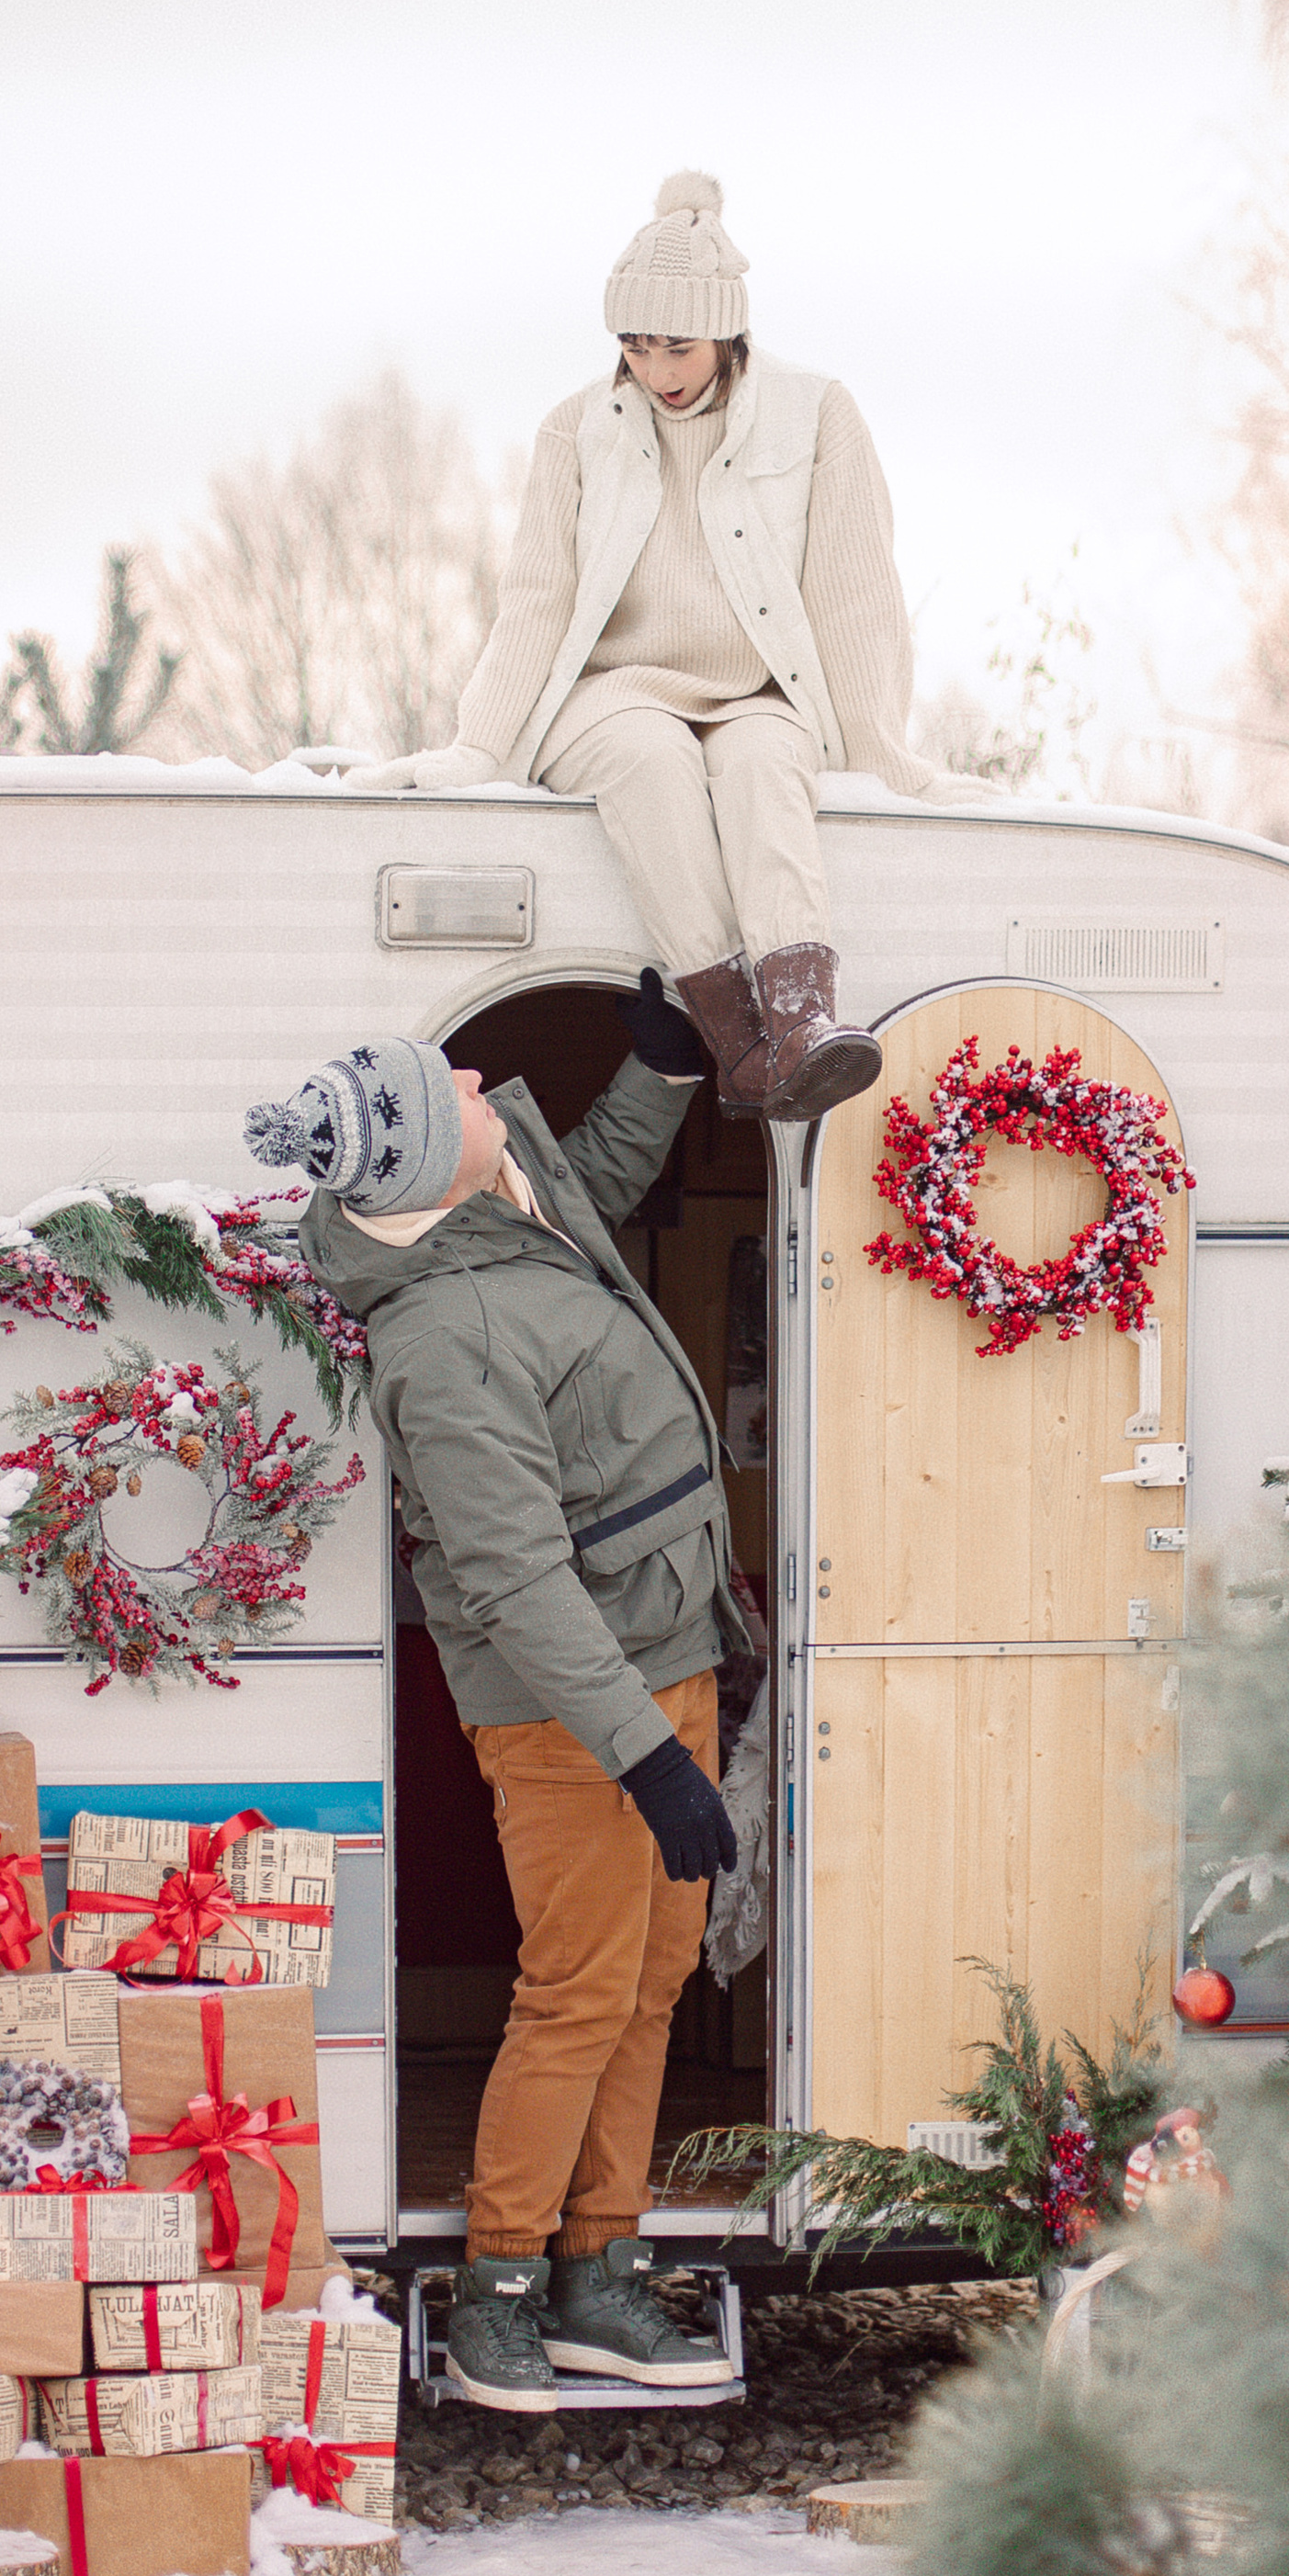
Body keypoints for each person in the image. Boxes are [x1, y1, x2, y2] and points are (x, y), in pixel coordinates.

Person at [248, 983, 747, 2413]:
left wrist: (659, 1073)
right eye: (450, 1084)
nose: (479, 1074)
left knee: (648, 1986)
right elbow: (519, 1586)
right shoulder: (441, 1338)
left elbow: (589, 1183)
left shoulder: (499, 1208)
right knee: (580, 1991)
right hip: (575, 1712)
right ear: (417, 1154)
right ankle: (500, 2291)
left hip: (664, 1662)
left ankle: (602, 2267)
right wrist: (647, 1756)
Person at [346, 169, 987, 1120]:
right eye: (634, 348)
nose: (657, 371)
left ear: (727, 332)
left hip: (757, 691)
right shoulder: (575, 431)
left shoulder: (816, 414)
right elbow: (535, 599)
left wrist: (879, 750)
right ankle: (741, 1049)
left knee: (770, 768)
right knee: (649, 764)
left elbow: (852, 594)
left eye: (675, 346)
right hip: (611, 692)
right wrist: (479, 744)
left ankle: (804, 1022)